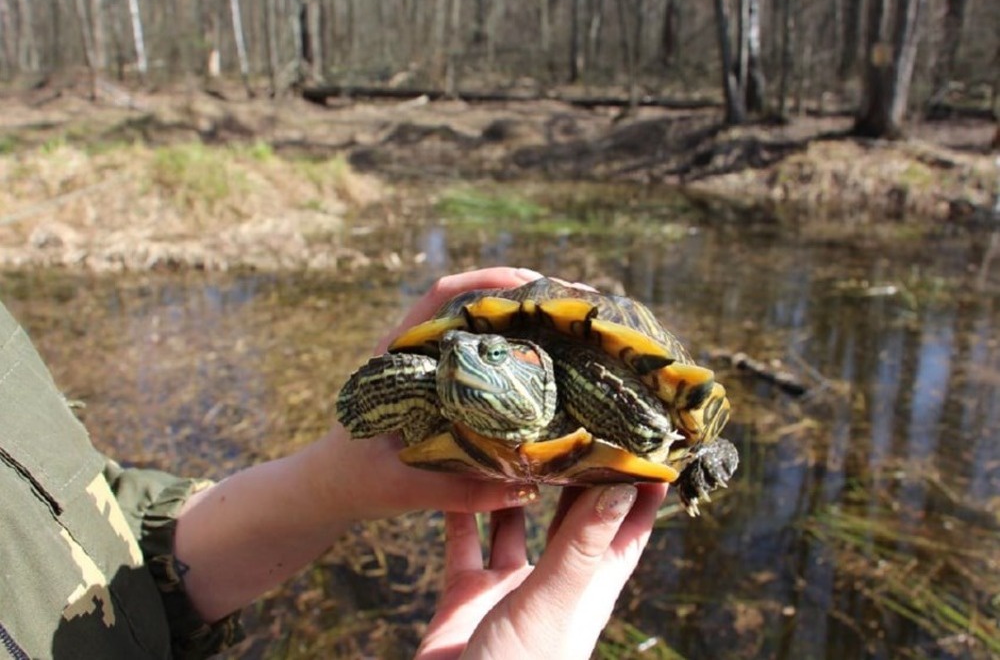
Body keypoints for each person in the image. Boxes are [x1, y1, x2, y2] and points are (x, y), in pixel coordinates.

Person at [0, 266, 667, 659]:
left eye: (488, 355)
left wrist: (327, 481)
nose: (460, 357)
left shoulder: (575, 378)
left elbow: (92, 525)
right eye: (454, 356)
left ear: (535, 367)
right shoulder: (449, 375)